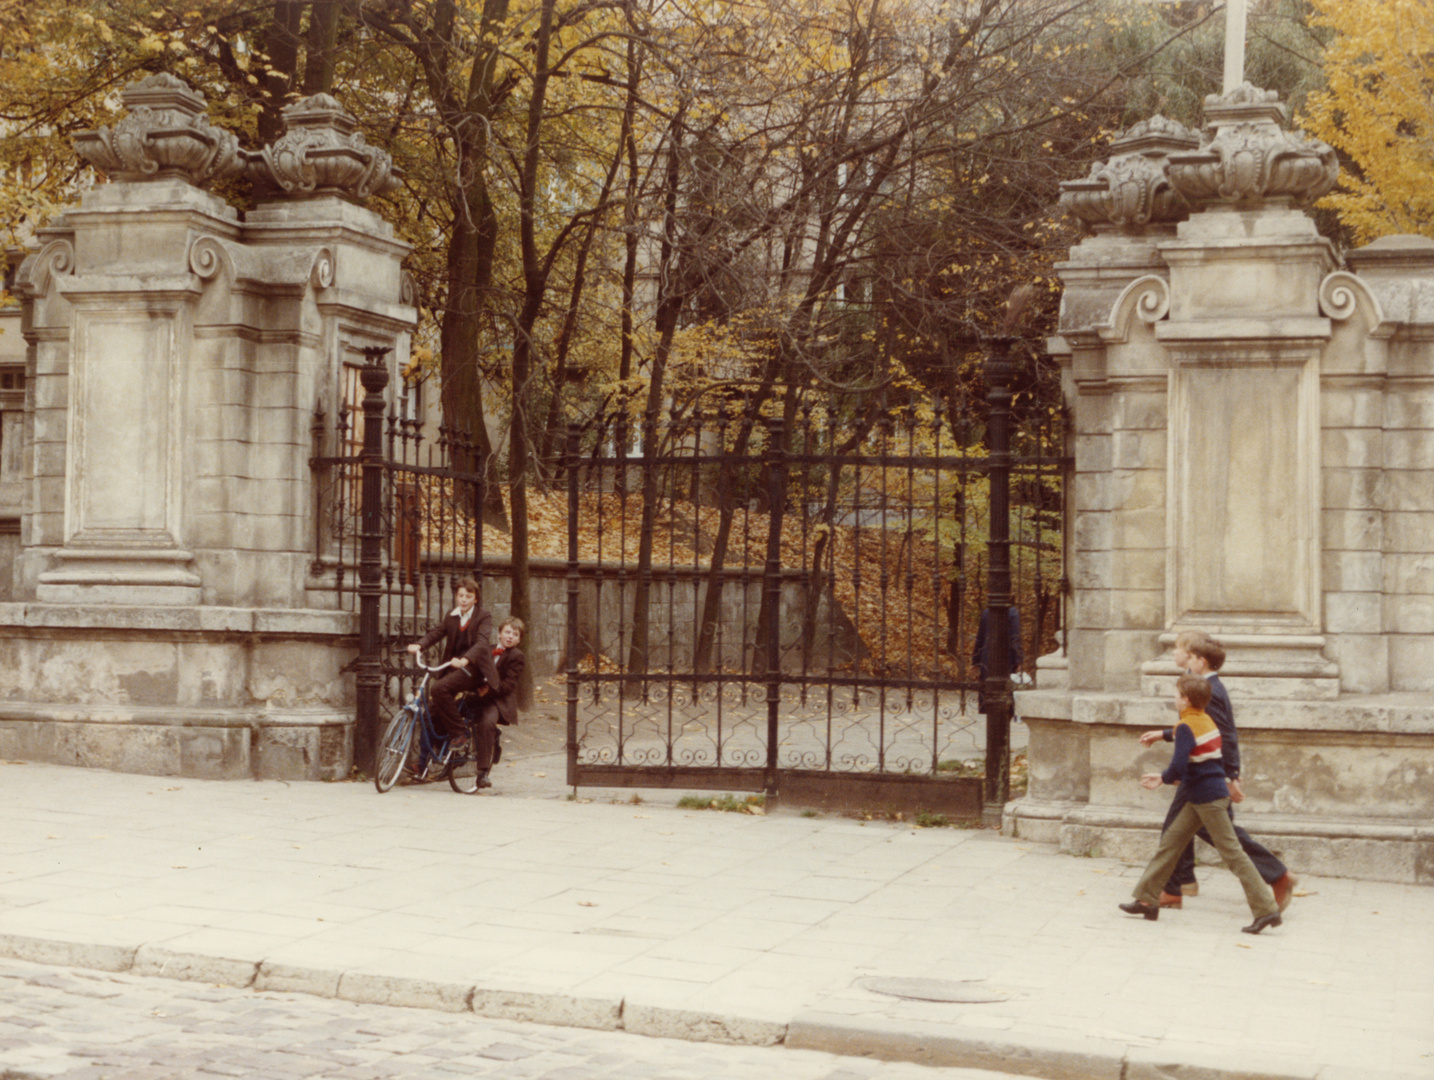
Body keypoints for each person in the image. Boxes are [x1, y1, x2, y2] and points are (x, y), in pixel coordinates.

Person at [1139, 632, 1297, 911]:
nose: (1179, 658)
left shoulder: (1208, 692)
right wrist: (1165, 734)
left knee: (1219, 838)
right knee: (1187, 833)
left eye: (1184, 654)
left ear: (1199, 661)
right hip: (1199, 777)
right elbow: (1196, 728)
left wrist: (1231, 776)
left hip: (1206, 779)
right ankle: (1176, 887)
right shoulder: (1204, 688)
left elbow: (1224, 735)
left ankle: (1277, 875)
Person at [1121, 673, 1282, 934]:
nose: (1174, 699)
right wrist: (1162, 734)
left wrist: (1161, 778)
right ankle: (1146, 900)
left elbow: (1178, 764)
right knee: (1170, 845)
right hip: (1203, 796)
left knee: (1234, 855)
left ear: (1185, 700)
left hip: (1206, 799)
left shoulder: (1186, 726)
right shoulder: (1205, 720)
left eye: (1175, 695)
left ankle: (1267, 910)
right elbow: (1183, 734)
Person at [406, 577, 500, 753]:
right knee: (431, 712)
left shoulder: (483, 616)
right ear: (456, 597)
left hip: (473, 669)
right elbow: (437, 632)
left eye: (468, 596)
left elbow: (481, 643)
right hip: (453, 667)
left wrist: (466, 659)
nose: (464, 599)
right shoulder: (452, 615)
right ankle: (423, 762)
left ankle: (460, 733)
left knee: (438, 689)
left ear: (475, 599)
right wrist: (420, 644)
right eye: (461, 595)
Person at [465, 616, 526, 790]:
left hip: (496, 699)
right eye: (507, 632)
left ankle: (482, 773)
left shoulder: (516, 656)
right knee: (449, 710)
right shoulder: (487, 649)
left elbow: (508, 684)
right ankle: (425, 759)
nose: (510, 636)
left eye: (515, 634)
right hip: (477, 694)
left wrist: (489, 690)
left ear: (519, 639)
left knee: (486, 722)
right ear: (499, 634)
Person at [972, 606, 1023, 713]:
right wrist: (1018, 660)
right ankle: (1002, 720)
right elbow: (1015, 637)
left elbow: (980, 638)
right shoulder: (1012, 612)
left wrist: (975, 660)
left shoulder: (987, 612)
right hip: (1006, 657)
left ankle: (992, 717)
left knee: (990, 689)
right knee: (1005, 690)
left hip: (987, 657)